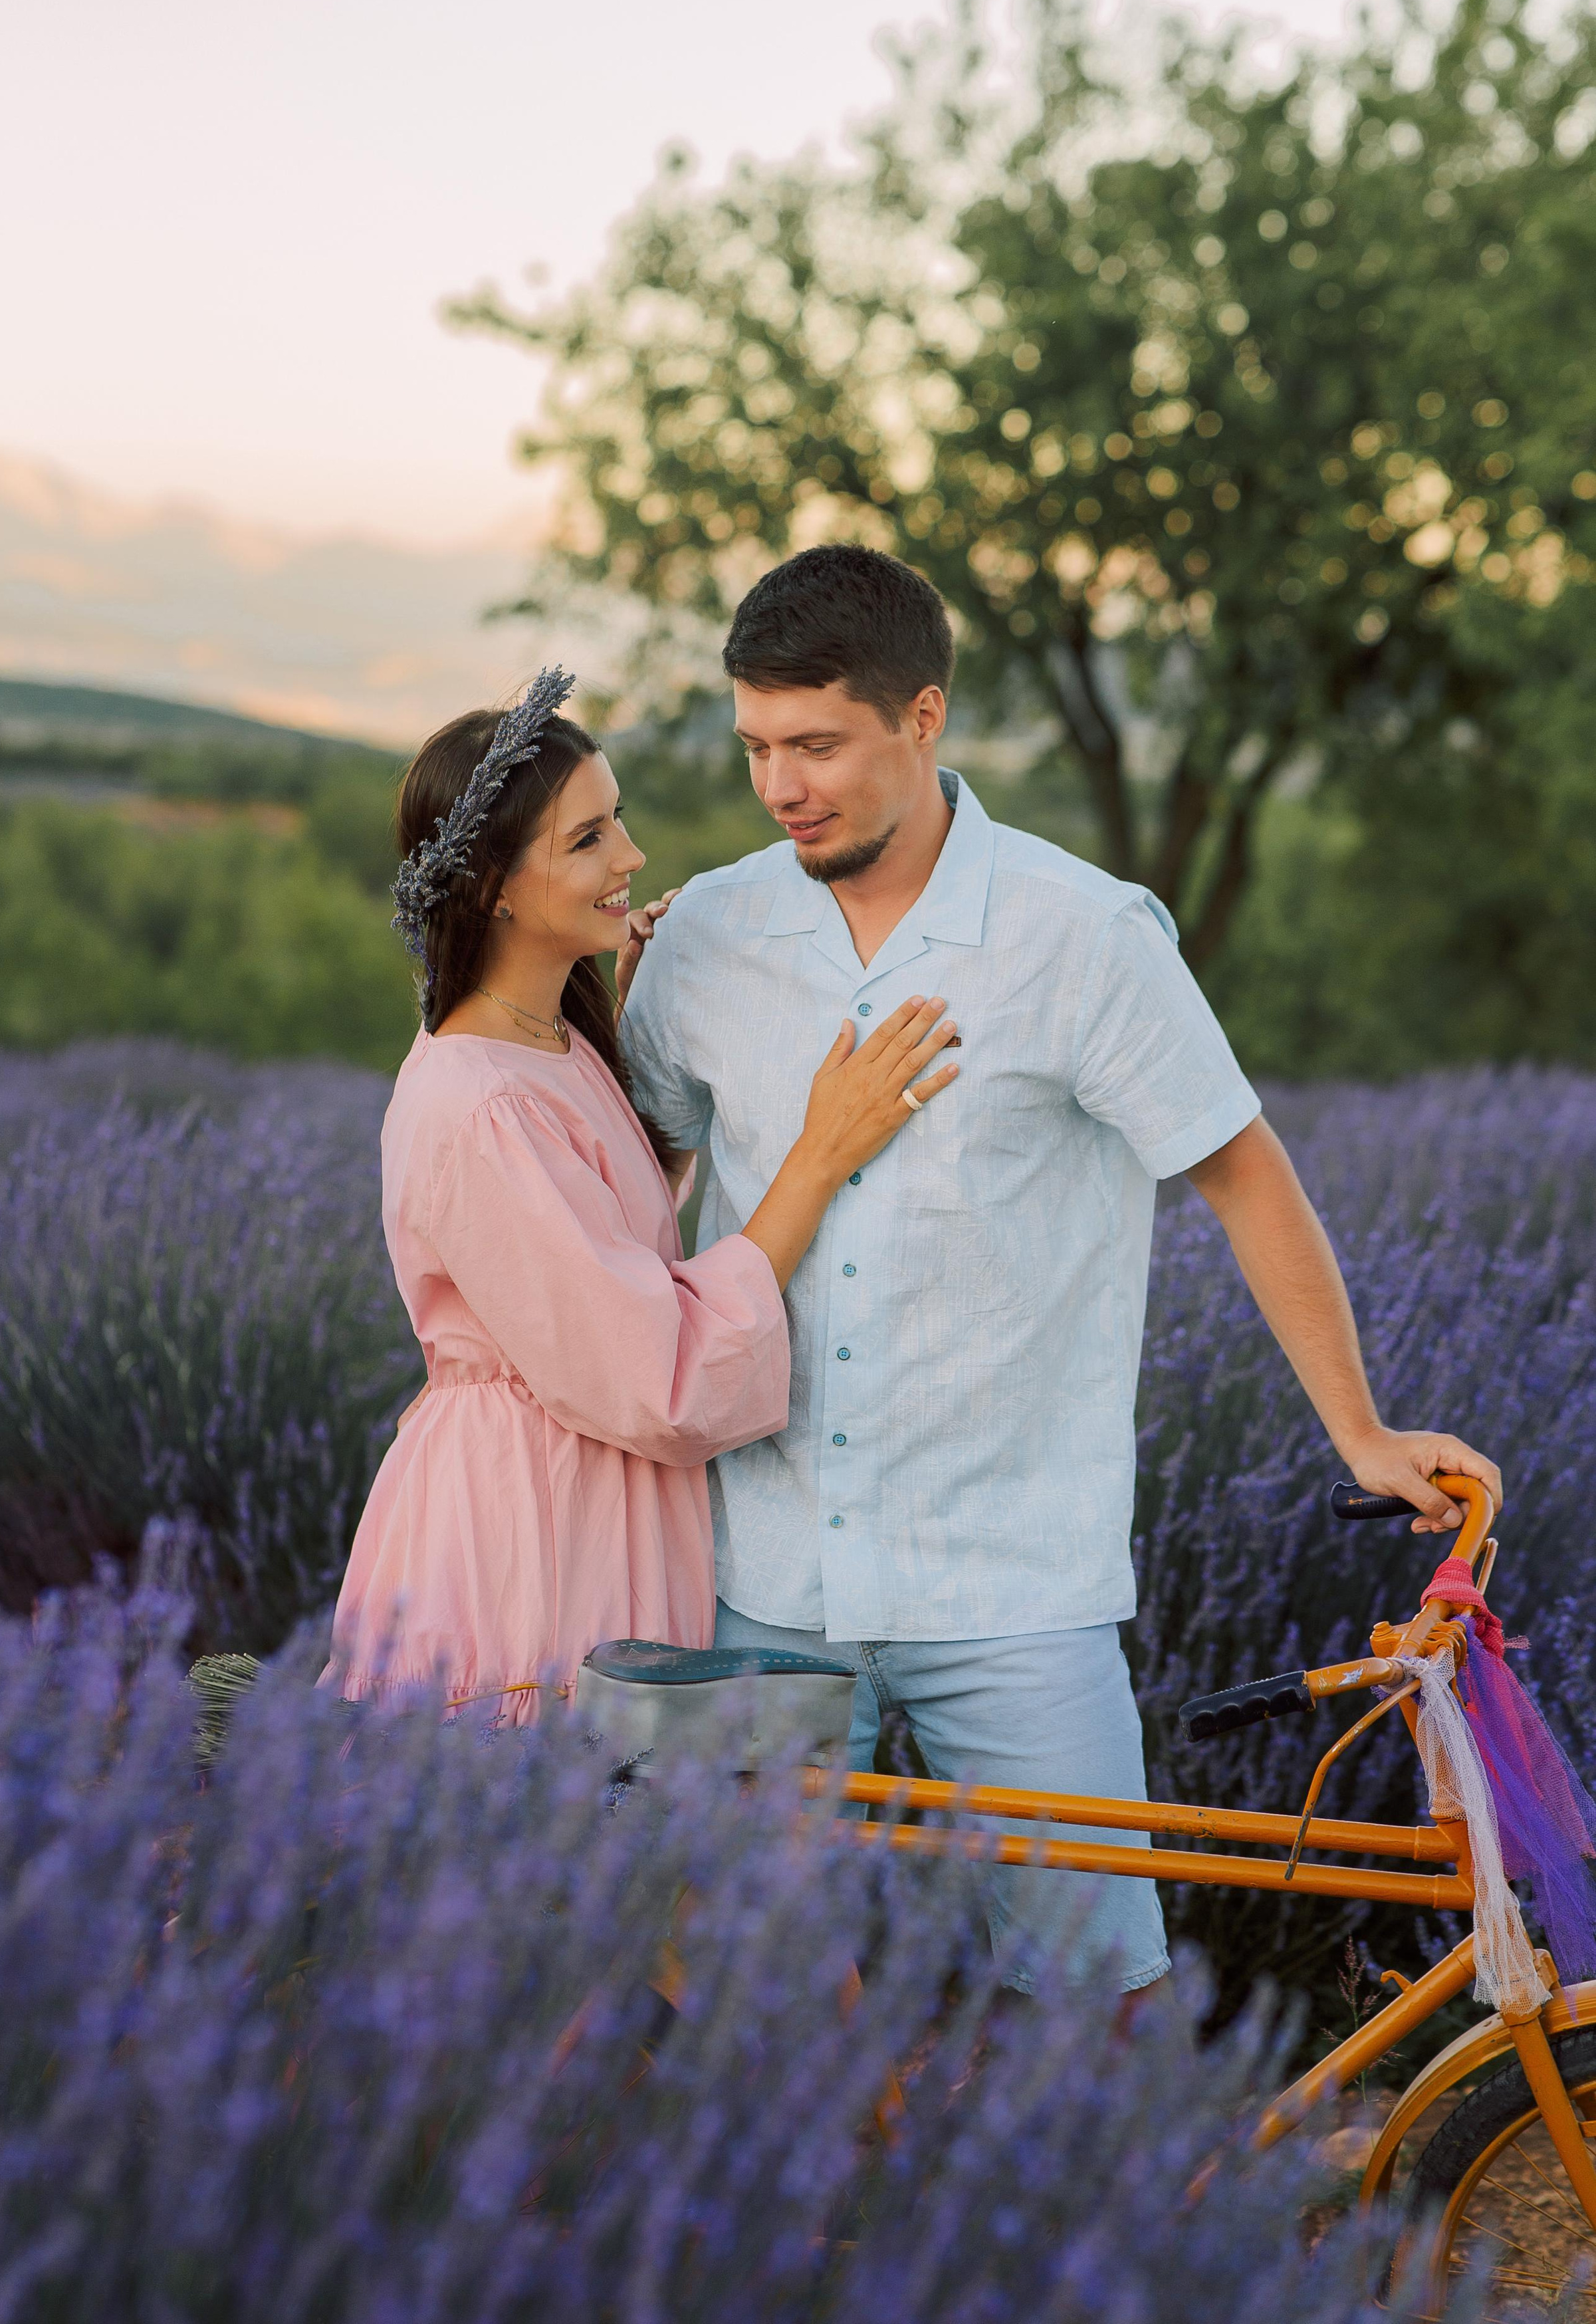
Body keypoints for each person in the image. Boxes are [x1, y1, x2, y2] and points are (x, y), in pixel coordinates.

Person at [617, 546, 1502, 2001]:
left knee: (1094, 2002)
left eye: (818, 743)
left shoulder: (1080, 935)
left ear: (921, 718)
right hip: (758, 1574)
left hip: (1009, 1581)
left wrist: (1356, 1428)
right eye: (757, 746)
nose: (782, 786)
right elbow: (635, 1170)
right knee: (734, 2001)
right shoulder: (707, 931)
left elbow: (1241, 1173)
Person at [322, 666, 958, 1718]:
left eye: (617, 821)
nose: (631, 858)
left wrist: (630, 1025)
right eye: (586, 841)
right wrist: (822, 1149)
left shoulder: (551, 1044)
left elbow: (600, 1247)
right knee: (548, 1844)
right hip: (531, 1523)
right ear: (493, 888)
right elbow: (652, 1373)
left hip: (591, 1493)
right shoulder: (477, 1101)